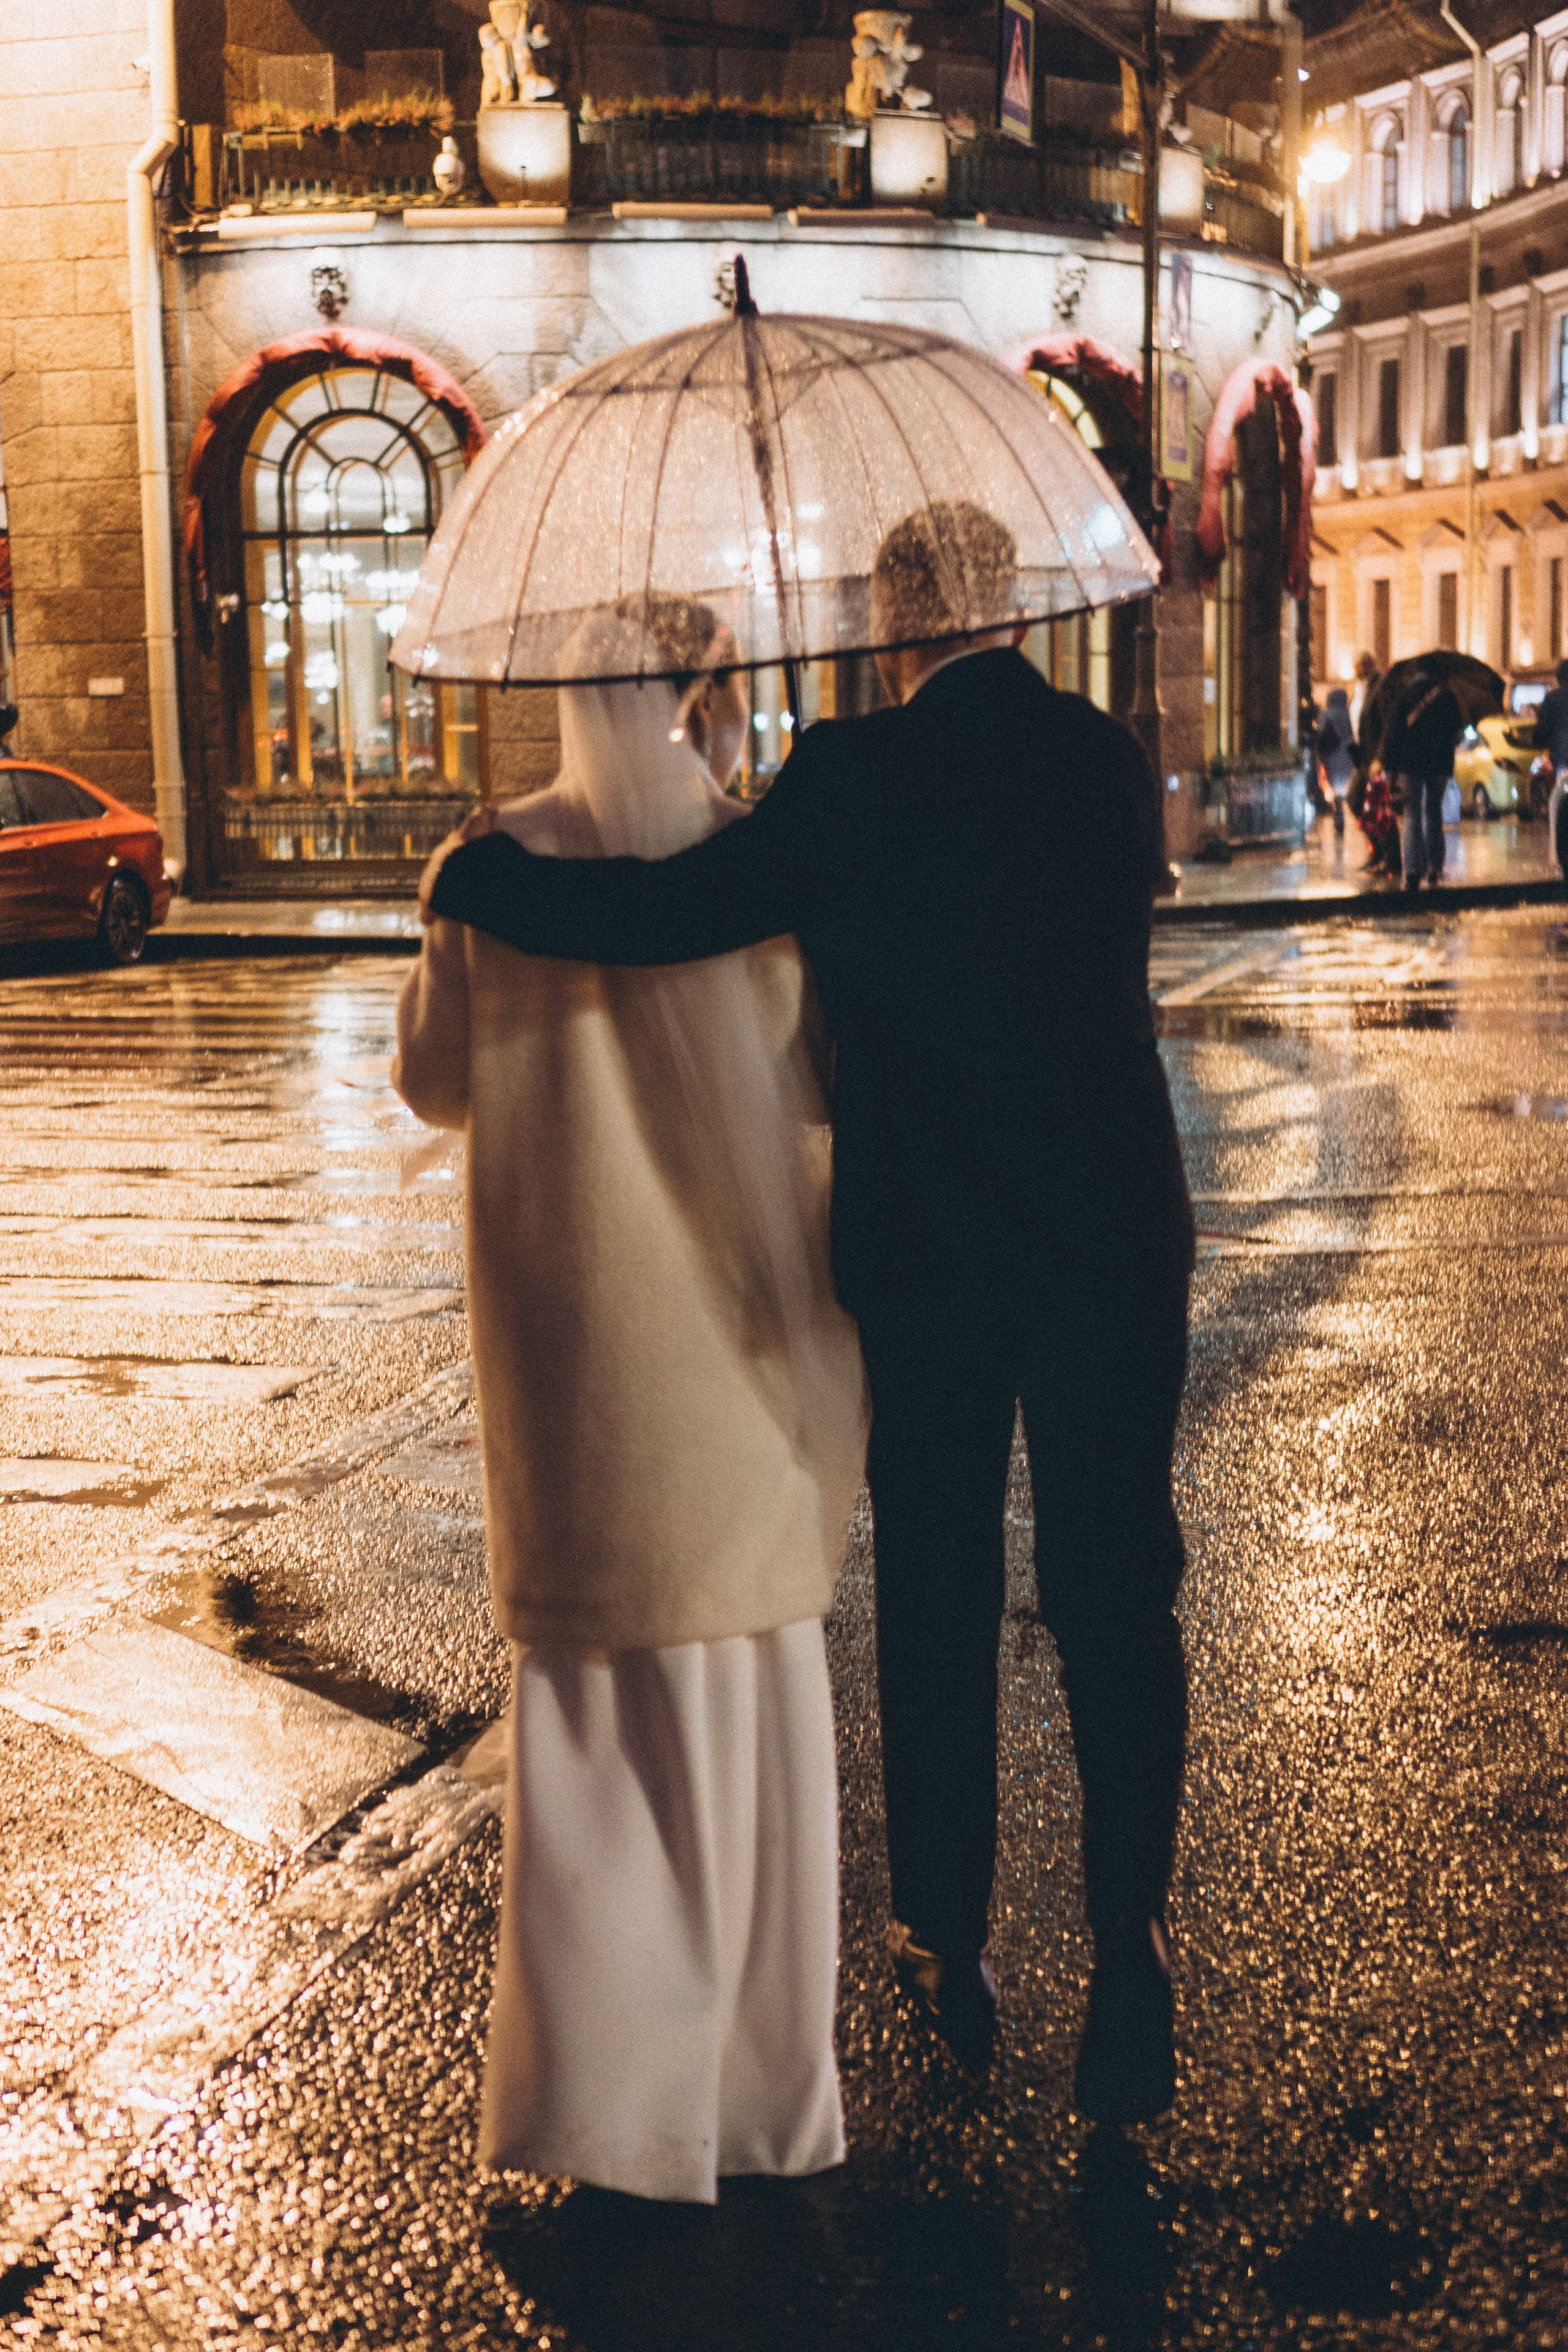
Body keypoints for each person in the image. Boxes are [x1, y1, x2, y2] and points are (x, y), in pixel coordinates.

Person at [423, 502, 1197, 2127]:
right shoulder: (1103, 761)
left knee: (940, 1585)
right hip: (1111, 1233)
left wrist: (484, 878)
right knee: (1117, 1583)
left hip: (932, 1250)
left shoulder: (853, 775)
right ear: (1012, 610)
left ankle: (949, 1938)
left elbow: (664, 918)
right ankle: (1130, 1929)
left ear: (893, 622)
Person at [394, 594, 869, 2206]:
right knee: (747, 1684)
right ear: (701, 691)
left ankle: (614, 2112)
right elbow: (818, 1074)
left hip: (570, 1344)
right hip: (739, 1331)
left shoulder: (489, 859)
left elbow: (434, 1084)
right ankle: (763, 2100)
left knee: (595, 1721)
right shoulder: (756, 859)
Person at [1396, 680, 1466, 893]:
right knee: (1434, 811)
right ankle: (1435, 868)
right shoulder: (1448, 696)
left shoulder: (1406, 691)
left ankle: (1413, 872)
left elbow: (1395, 729)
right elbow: (1459, 733)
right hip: (1440, 763)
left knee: (1411, 815)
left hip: (1410, 762)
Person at [1316, 687, 1355, 837]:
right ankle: (1340, 804)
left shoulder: (1325, 714)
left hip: (1331, 753)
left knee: (1334, 782)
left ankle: (1338, 809)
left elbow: (1321, 734)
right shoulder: (1348, 714)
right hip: (1347, 753)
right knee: (1343, 783)